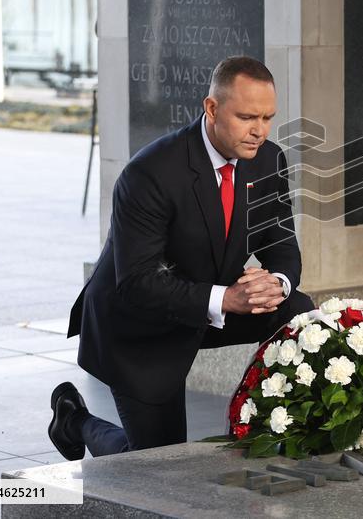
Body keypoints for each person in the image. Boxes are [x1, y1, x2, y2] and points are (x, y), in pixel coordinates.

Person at [48, 55, 313, 459]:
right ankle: (74, 420)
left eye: (267, 118)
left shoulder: (267, 159)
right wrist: (227, 298)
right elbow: (138, 282)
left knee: (296, 310)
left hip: (203, 303)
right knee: (158, 465)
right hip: (139, 323)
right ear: (211, 108)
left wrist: (275, 282)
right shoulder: (150, 173)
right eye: (246, 117)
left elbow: (281, 244)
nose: (258, 131)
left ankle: (273, 424)